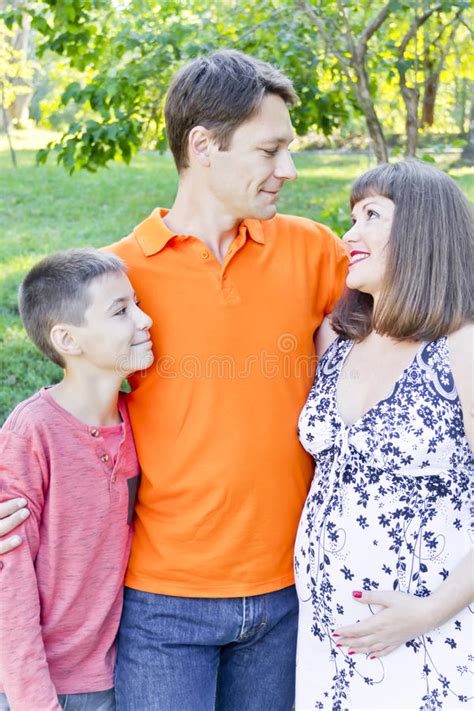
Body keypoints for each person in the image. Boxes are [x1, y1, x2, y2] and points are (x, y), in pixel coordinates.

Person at [0, 50, 348, 711]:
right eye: (270, 150)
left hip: (289, 594)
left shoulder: (314, 250)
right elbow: (65, 417)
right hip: (166, 606)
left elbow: (406, 342)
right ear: (203, 146)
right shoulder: (119, 280)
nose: (289, 170)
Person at [295, 160, 474, 710]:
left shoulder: (462, 348)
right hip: (326, 642)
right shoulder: (338, 340)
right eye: (352, 216)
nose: (349, 233)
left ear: (423, 232)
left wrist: (430, 610)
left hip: (432, 637)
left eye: (371, 214)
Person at [0, 249, 153, 710]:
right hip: (42, 684)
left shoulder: (141, 421)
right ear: (68, 338)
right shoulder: (33, 433)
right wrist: (33, 700)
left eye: (138, 303)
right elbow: (9, 575)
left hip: (114, 672)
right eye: (121, 311)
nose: (145, 321)